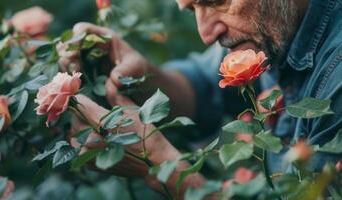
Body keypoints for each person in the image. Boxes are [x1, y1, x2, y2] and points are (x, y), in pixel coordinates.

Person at [60, 0, 342, 198]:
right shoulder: (273, 23)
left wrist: (158, 164)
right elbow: (204, 84)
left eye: (216, 1)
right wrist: (141, 76)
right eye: (192, 8)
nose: (206, 34)